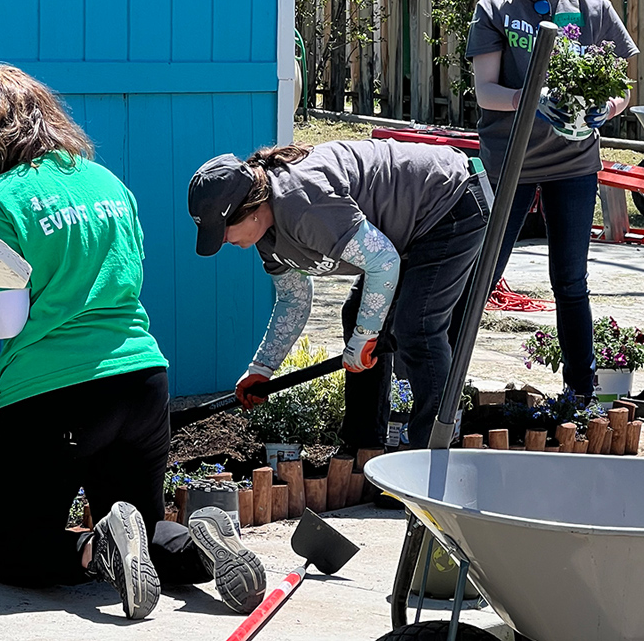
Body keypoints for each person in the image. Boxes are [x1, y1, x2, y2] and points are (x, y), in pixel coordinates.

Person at [0, 64, 265, 620]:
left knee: (16, 550)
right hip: (142, 382)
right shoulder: (107, 183)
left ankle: (99, 547)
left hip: (53, 395)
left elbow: (6, 316)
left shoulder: (2, 199)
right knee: (140, 521)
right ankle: (202, 543)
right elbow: (128, 275)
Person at [187, 138, 490, 451]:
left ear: (249, 210)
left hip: (450, 200)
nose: (222, 241)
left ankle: (433, 454)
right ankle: (364, 448)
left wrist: (365, 337)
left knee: (417, 326)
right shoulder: (266, 235)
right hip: (409, 228)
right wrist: (262, 368)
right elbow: (294, 299)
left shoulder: (301, 203)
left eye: (223, 230)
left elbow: (383, 262)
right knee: (357, 316)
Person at [464, 0, 638, 399]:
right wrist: (530, 98)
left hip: (573, 163)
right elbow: (485, 92)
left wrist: (610, 104)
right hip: (511, 161)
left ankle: (580, 394)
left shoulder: (592, 9)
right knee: (483, 275)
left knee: (570, 280)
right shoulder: (495, 9)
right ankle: (444, 383)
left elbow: (623, 82)